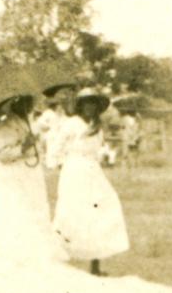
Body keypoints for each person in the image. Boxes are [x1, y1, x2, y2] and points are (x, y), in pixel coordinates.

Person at [0, 93, 67, 265]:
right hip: (9, 175)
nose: (26, 107)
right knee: (14, 209)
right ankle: (8, 253)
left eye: (29, 103)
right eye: (22, 103)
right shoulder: (6, 126)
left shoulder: (26, 124)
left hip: (25, 173)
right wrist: (23, 147)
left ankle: (31, 252)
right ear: (14, 104)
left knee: (33, 209)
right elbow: (1, 154)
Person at [52, 88, 130, 273]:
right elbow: (57, 145)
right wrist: (58, 162)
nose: (90, 107)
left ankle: (95, 264)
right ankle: (58, 259)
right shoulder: (71, 123)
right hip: (74, 168)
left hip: (92, 170)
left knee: (101, 208)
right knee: (71, 210)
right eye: (86, 103)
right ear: (80, 106)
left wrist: (103, 155)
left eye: (93, 103)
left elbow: (98, 148)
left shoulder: (96, 125)